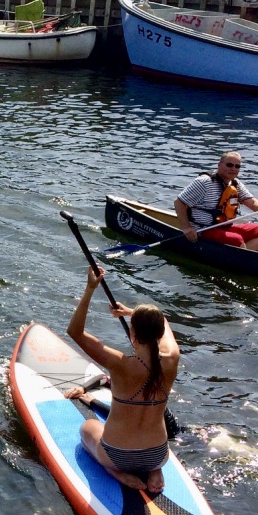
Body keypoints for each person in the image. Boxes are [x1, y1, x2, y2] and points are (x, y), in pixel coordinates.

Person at [66, 266, 180, 494]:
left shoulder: (120, 363)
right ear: (157, 335)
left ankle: (115, 472)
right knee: (150, 452)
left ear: (133, 335)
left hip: (117, 455)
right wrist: (131, 313)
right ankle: (154, 470)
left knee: (87, 428)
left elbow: (75, 332)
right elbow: (162, 320)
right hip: (158, 454)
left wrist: (90, 289)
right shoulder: (172, 358)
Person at [174, 151, 258, 250]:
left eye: (237, 166)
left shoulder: (235, 183)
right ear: (219, 165)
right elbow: (179, 202)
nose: (233, 169)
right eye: (229, 165)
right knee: (237, 239)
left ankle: (244, 255)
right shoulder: (204, 182)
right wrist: (186, 228)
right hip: (203, 229)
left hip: (224, 227)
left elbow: (252, 202)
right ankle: (243, 259)